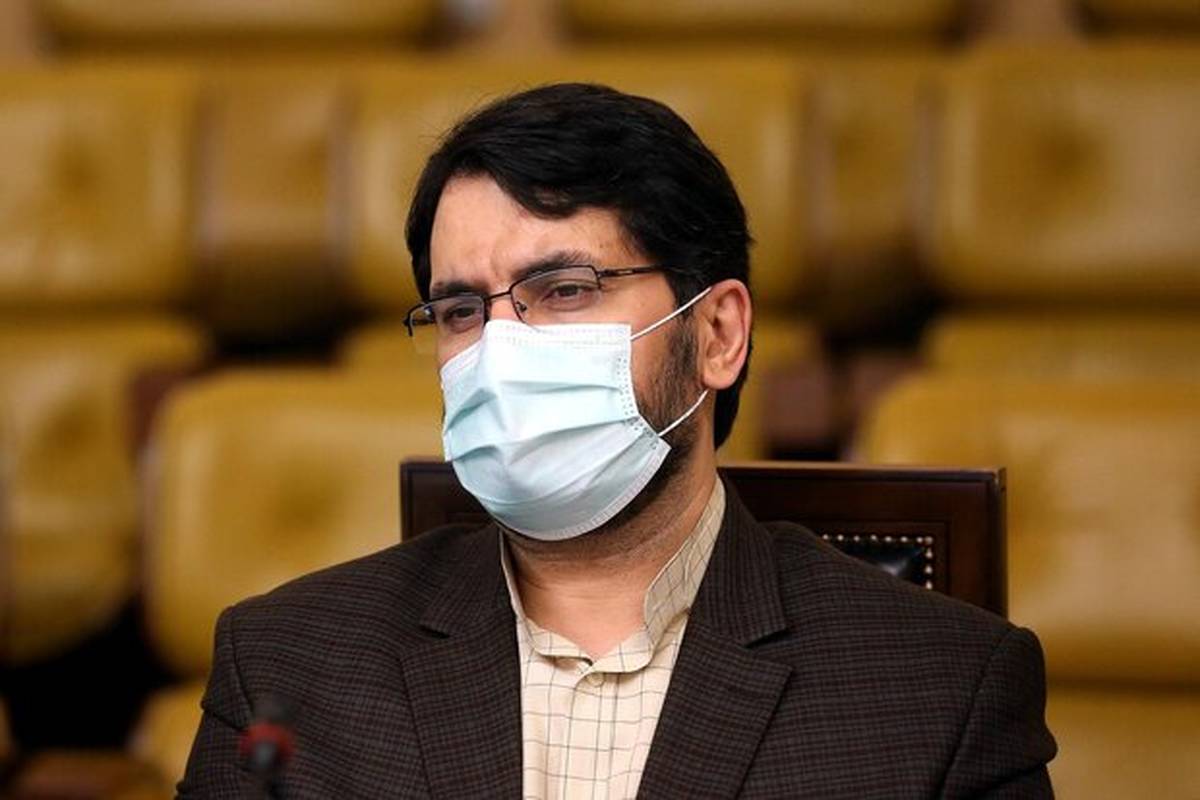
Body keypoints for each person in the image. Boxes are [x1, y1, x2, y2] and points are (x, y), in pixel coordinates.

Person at [179, 82, 1056, 798]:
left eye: (564, 290)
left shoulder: (940, 691)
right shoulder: (284, 667)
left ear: (717, 334)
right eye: (461, 311)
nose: (500, 351)